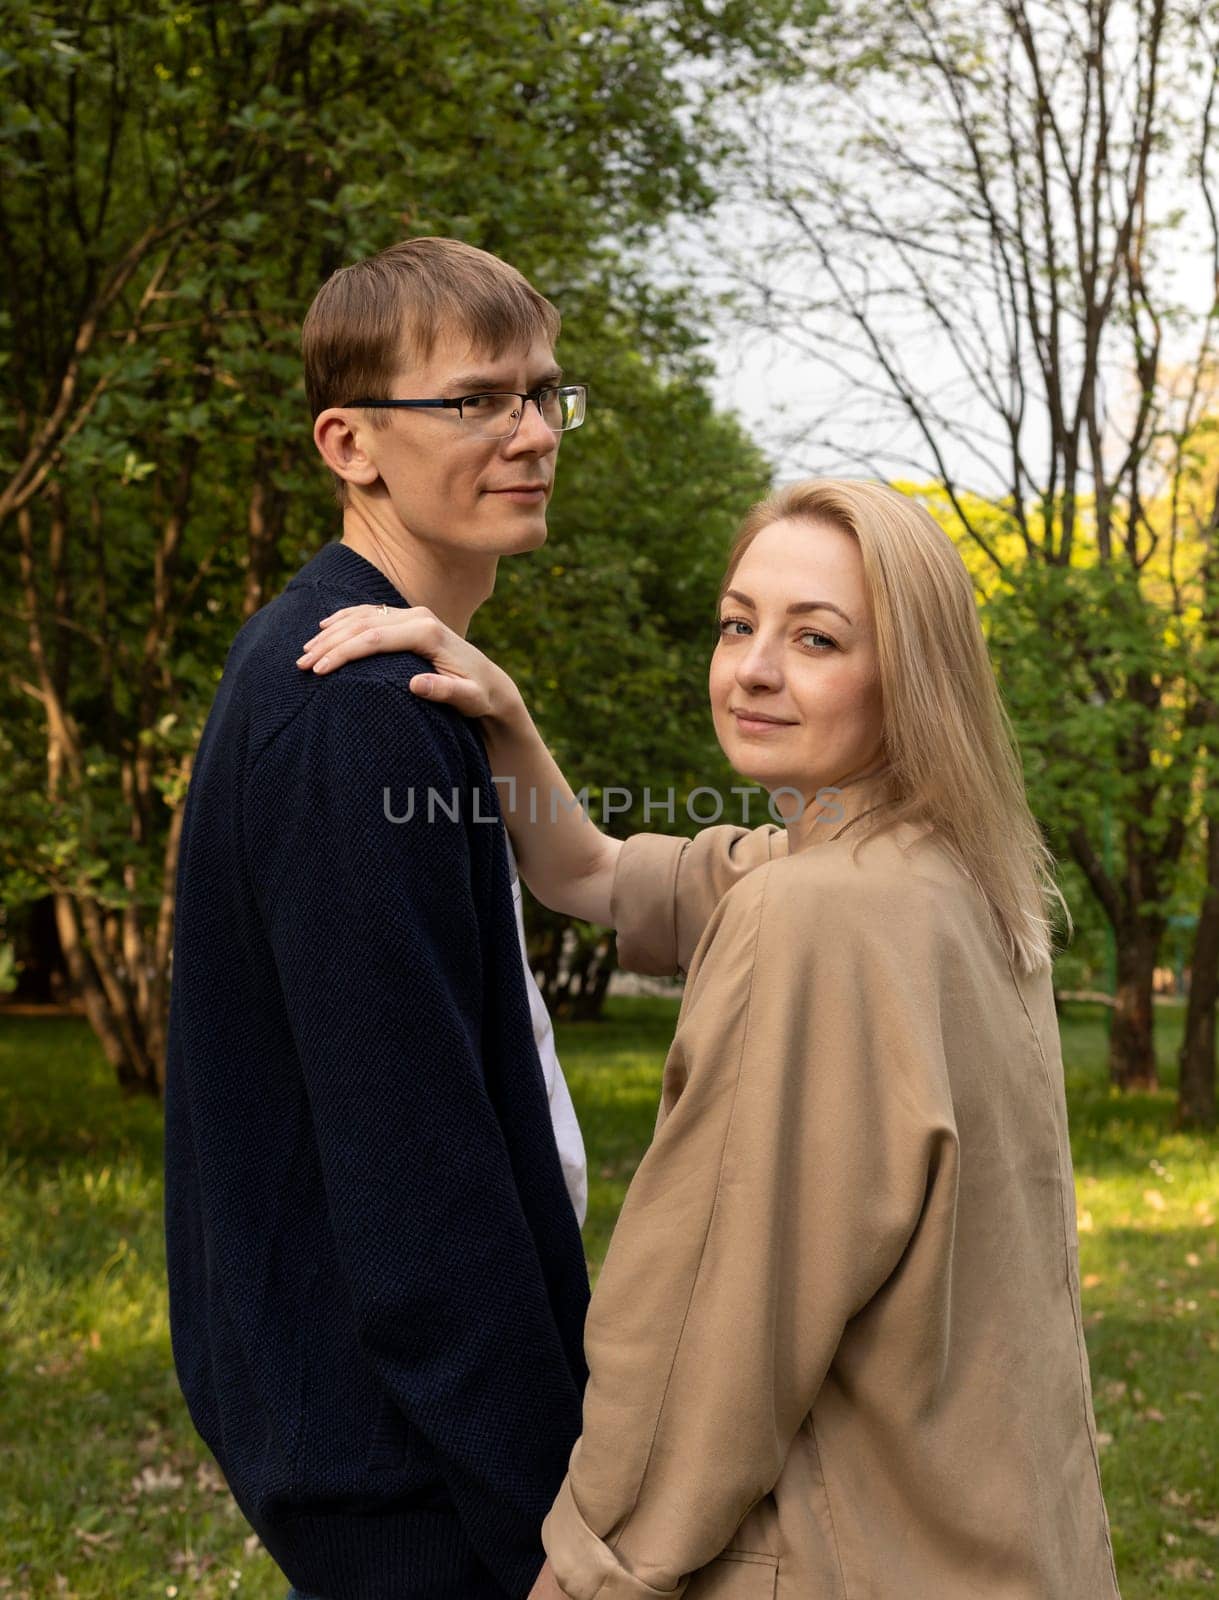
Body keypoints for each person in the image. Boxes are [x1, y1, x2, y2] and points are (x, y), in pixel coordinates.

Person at [298, 476, 1123, 1599]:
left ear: (911, 673)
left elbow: (703, 1338)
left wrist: (587, 1566)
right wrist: (507, 717)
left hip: (855, 1560)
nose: (753, 669)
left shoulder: (812, 919)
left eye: (816, 638)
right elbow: (591, 870)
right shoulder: (948, 874)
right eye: (738, 623)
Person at [163, 237, 593, 1600]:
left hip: (400, 1463)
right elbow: (413, 1171)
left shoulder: (401, 670)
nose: (528, 432)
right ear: (348, 443)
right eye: (475, 400)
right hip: (415, 1491)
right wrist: (547, 1525)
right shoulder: (351, 707)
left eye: (540, 394)